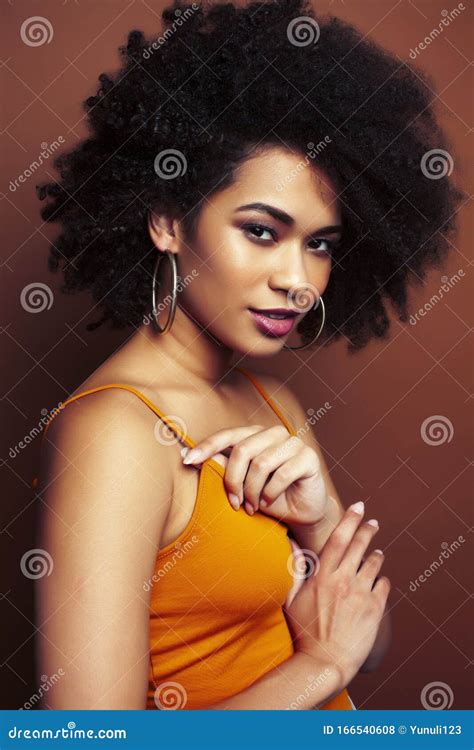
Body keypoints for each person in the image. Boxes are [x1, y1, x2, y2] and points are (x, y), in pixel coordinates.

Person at [33, 0, 463, 709]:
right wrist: (322, 665)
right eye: (263, 231)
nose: (298, 281)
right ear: (168, 222)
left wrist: (321, 519)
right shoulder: (115, 432)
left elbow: (372, 638)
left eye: (320, 243)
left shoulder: (272, 402)